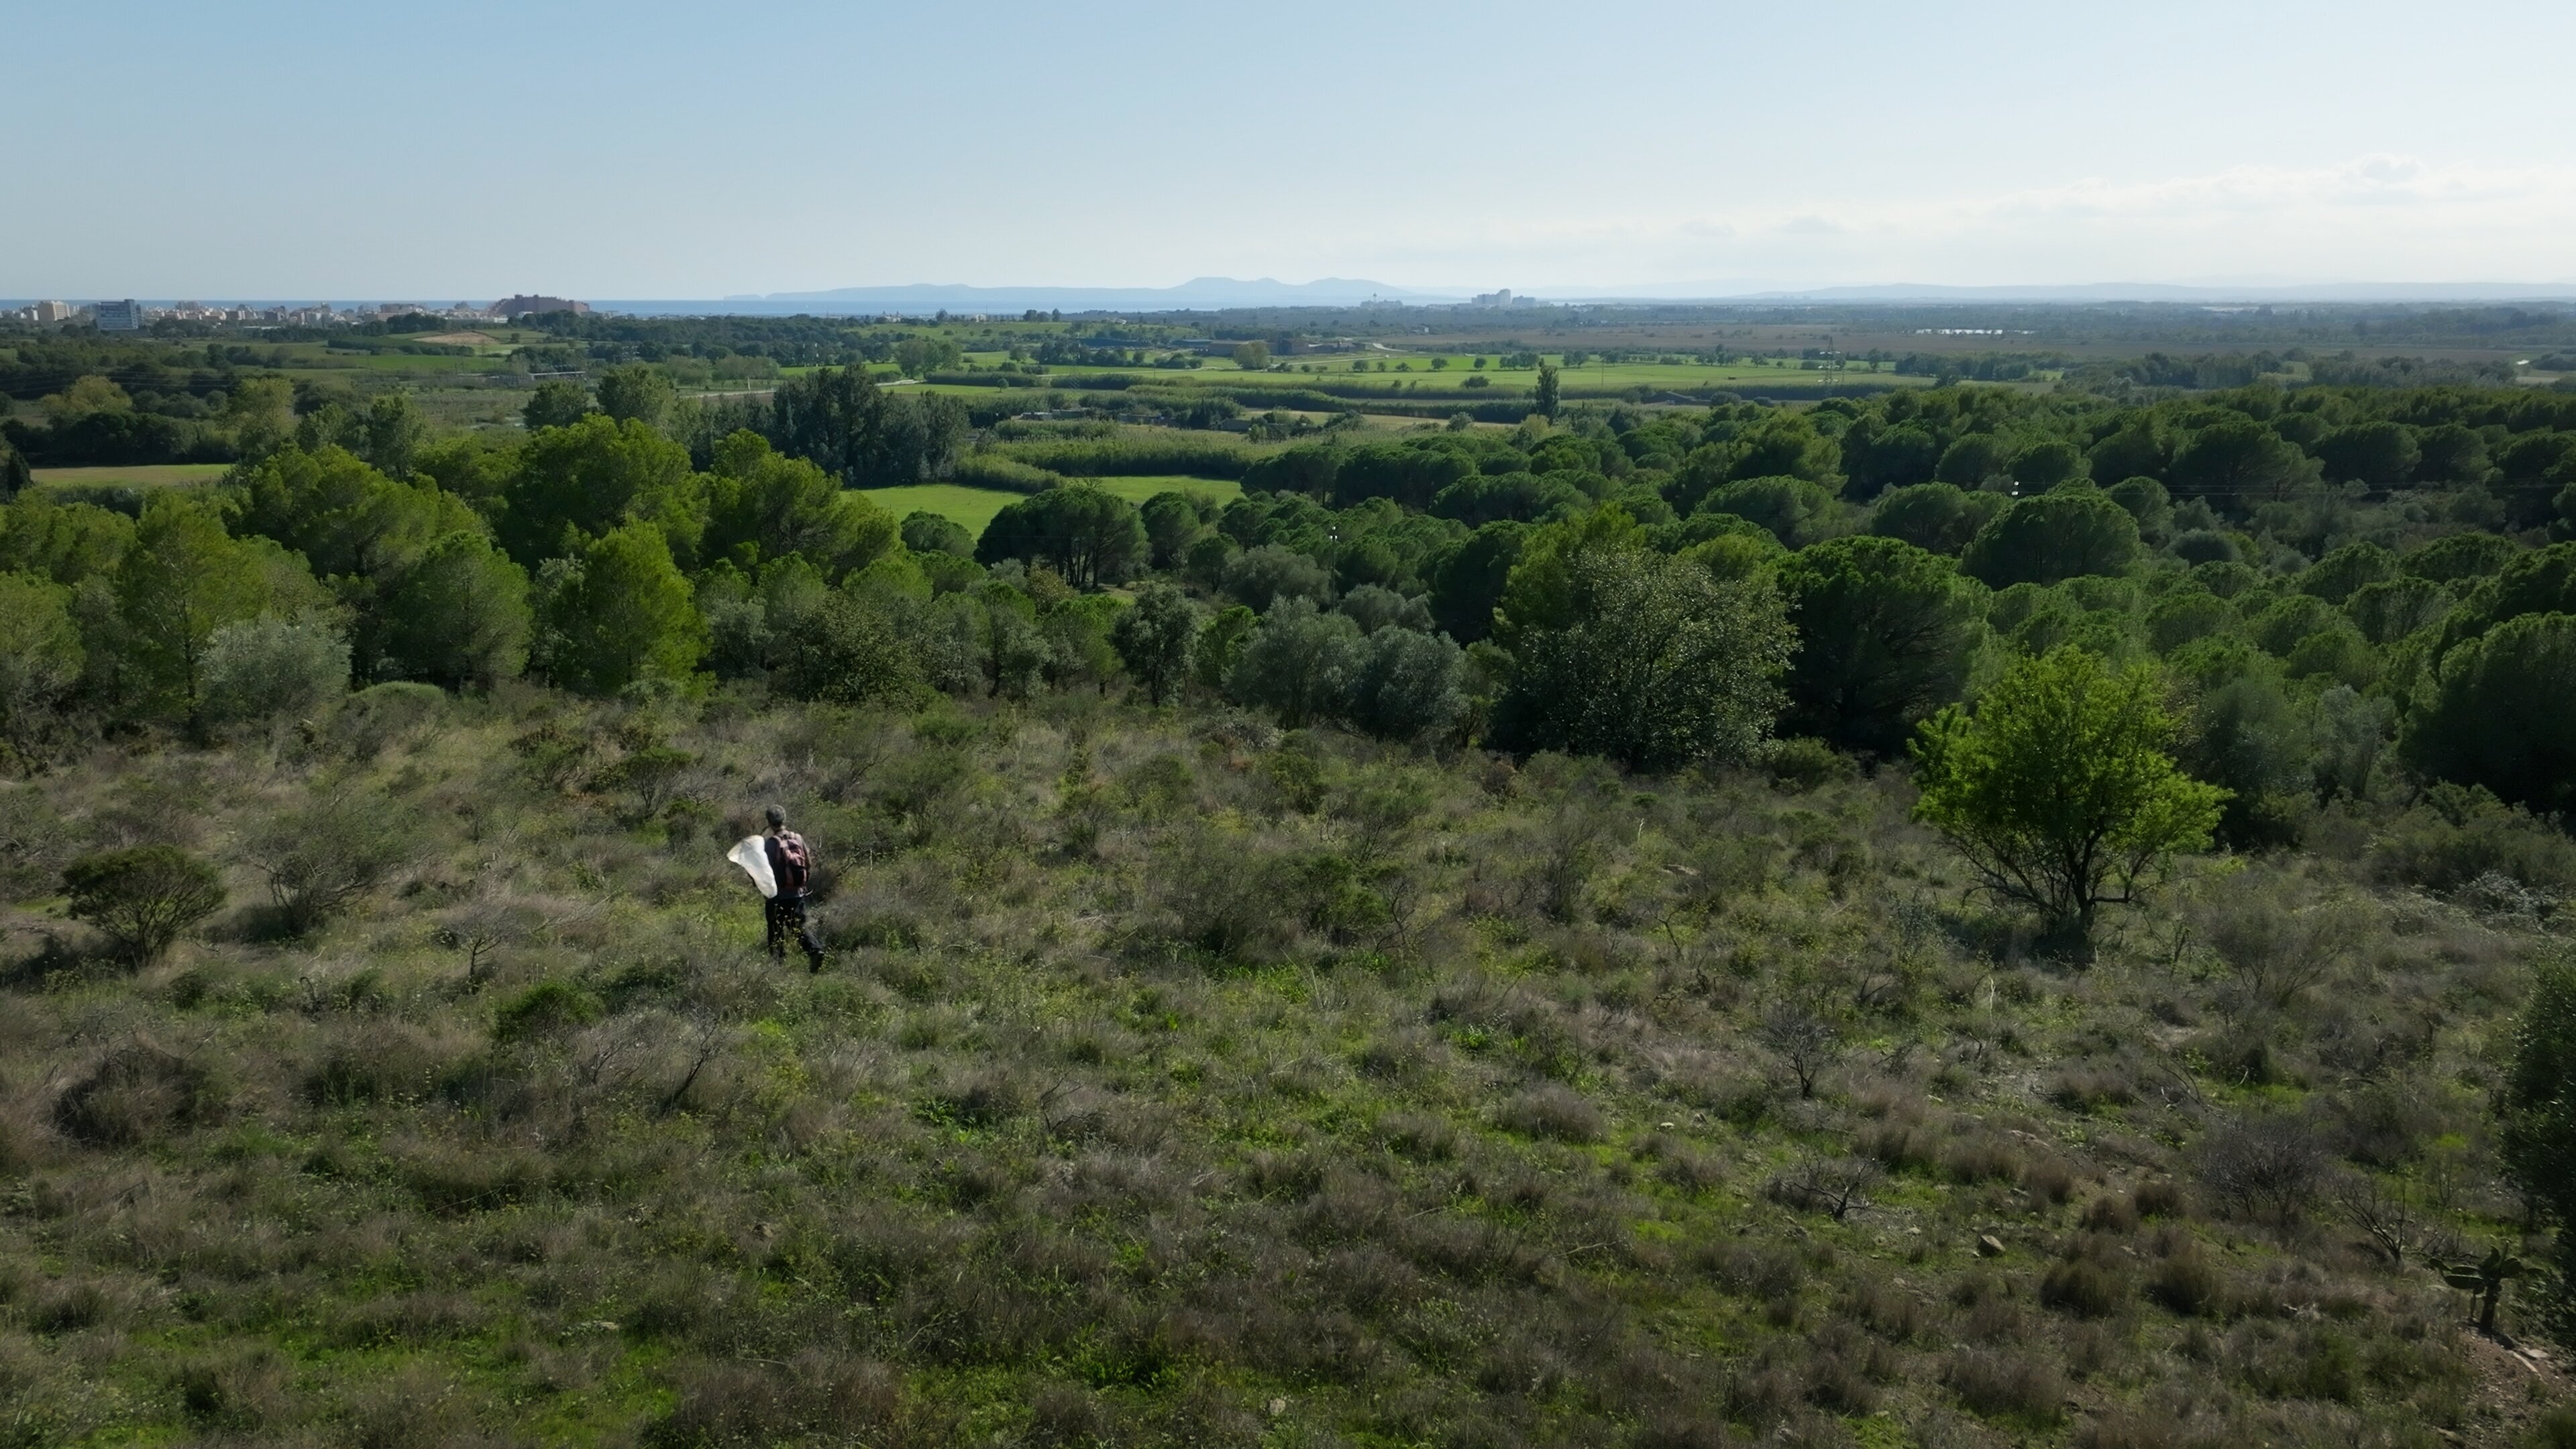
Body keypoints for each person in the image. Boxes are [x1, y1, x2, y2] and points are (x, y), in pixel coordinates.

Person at [760, 805, 825, 971]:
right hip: (797, 894)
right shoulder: (798, 838)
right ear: (784, 820)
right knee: (798, 928)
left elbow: (764, 871)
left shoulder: (770, 845)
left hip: (777, 896)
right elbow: (808, 864)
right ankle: (814, 950)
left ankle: (778, 965)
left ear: (769, 822)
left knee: (775, 930)